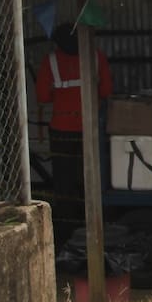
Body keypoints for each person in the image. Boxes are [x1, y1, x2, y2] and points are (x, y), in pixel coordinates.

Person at [35, 22, 113, 246]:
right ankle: (94, 228)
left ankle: (67, 234)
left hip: (61, 130)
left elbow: (42, 96)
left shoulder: (50, 61)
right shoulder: (96, 57)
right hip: (90, 129)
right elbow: (107, 91)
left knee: (64, 183)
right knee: (92, 179)